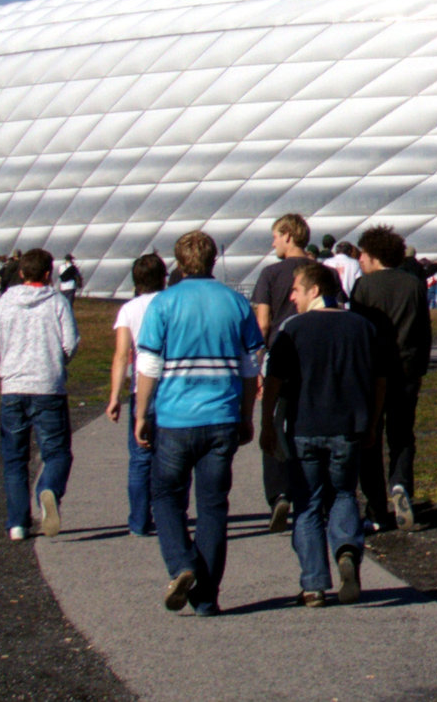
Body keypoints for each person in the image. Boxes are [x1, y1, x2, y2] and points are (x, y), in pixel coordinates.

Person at [135, 230, 264, 617]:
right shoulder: (235, 303)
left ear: (178, 262)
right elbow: (250, 367)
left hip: (175, 418)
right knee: (212, 507)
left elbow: (149, 366)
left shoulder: (163, 303)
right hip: (221, 417)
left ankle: (182, 564)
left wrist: (142, 413)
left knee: (166, 498)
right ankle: (206, 598)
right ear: (213, 260)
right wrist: (245, 416)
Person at [263, 262, 388, 606]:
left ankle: (314, 584)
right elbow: (379, 381)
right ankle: (347, 551)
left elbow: (273, 382)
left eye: (296, 289)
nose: (291, 296)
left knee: (307, 504)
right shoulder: (363, 327)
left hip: (304, 428)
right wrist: (373, 423)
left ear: (314, 291)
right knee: (345, 493)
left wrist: (266, 425)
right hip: (348, 428)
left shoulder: (293, 329)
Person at [0, 247, 79, 541]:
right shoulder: (57, 302)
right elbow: (70, 343)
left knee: (14, 459)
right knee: (57, 453)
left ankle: (18, 524)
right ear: (48, 274)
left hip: (13, 389)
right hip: (48, 389)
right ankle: (48, 488)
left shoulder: (2, 305)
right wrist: (56, 362)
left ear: (21, 272)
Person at [350, 225, 432, 532]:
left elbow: (357, 330)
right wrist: (420, 368)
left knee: (369, 437)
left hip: (371, 372)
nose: (359, 260)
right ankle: (400, 486)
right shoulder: (414, 285)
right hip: (407, 369)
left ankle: (375, 507)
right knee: (402, 434)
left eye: (362, 254)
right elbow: (424, 331)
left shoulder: (363, 287)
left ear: (372, 256)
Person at [251, 213, 315, 534]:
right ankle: (313, 491)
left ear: (288, 235)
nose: (273, 241)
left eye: (276, 236)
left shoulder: (271, 274)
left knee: (274, 423)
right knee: (309, 424)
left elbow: (262, 323)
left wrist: (258, 364)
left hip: (278, 356)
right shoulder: (322, 272)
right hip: (315, 360)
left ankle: (279, 494)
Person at [103, 252, 168, 539]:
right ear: (163, 278)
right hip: (171, 385)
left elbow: (121, 355)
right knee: (169, 456)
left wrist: (115, 396)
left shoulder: (128, 310)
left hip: (141, 387)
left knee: (140, 457)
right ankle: (169, 515)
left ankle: (139, 520)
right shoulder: (171, 304)